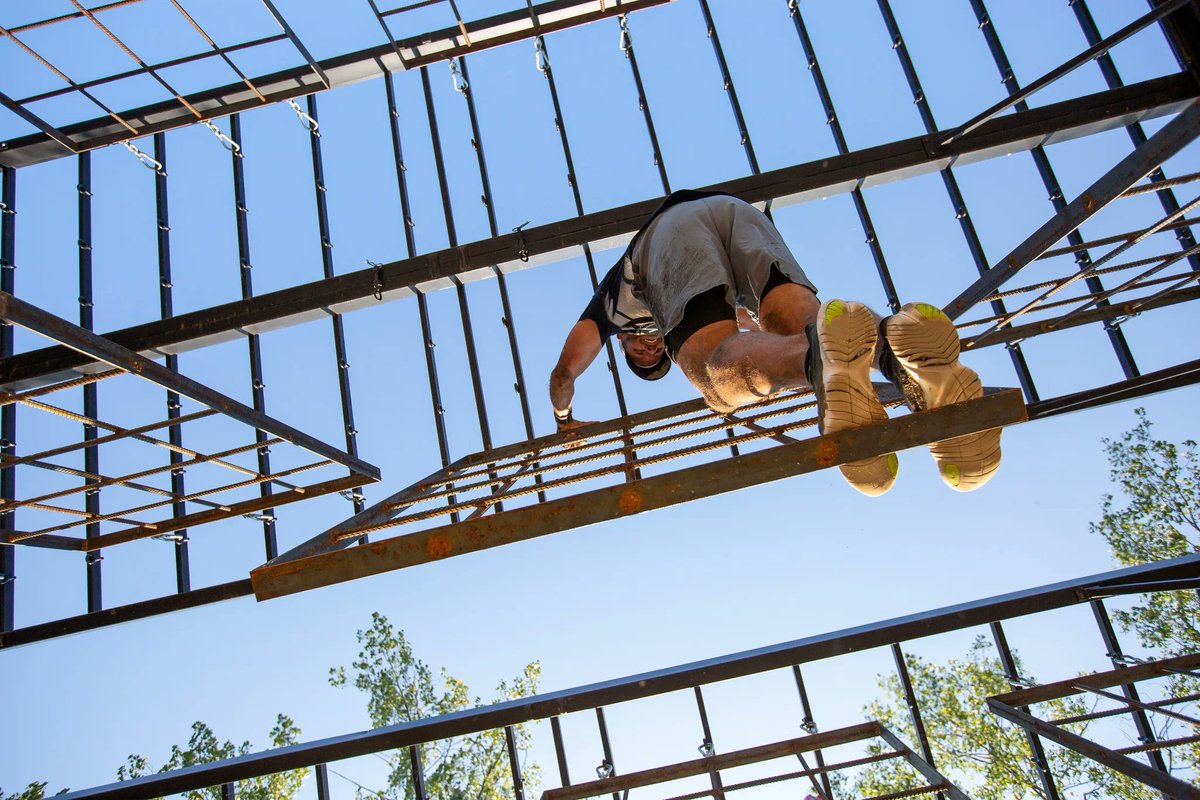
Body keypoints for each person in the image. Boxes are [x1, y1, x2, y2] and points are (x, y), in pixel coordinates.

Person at [549, 189, 1001, 494]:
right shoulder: (653, 312)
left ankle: (815, 363)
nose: (649, 349)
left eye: (639, 353)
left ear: (621, 342)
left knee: (714, 379)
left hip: (667, 235)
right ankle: (894, 349)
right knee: (802, 326)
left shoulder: (608, 308)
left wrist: (564, 420)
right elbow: (751, 330)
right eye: (654, 357)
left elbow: (565, 372)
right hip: (736, 211)